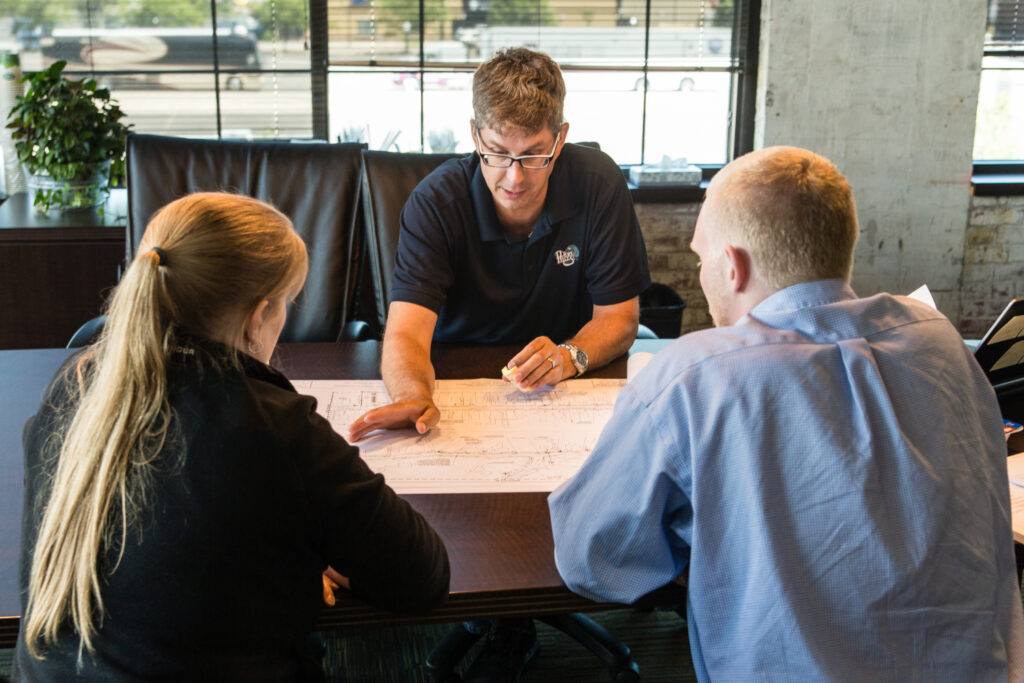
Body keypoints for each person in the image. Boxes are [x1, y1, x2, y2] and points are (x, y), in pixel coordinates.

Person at [549, 146, 1024, 681]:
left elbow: (591, 558)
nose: (703, 272)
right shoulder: (941, 341)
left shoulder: (694, 375)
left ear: (733, 267)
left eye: (702, 257)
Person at [15, 193, 450, 681]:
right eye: (286, 302)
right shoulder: (275, 426)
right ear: (256, 317)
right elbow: (423, 576)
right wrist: (304, 551)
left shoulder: (72, 387)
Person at [347, 46, 650, 443]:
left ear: (560, 140)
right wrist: (412, 395)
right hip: (454, 377)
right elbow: (405, 332)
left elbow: (620, 317)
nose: (515, 178)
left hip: (565, 385)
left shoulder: (598, 184)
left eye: (533, 154)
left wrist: (569, 355)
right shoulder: (435, 203)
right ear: (475, 136)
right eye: (498, 154)